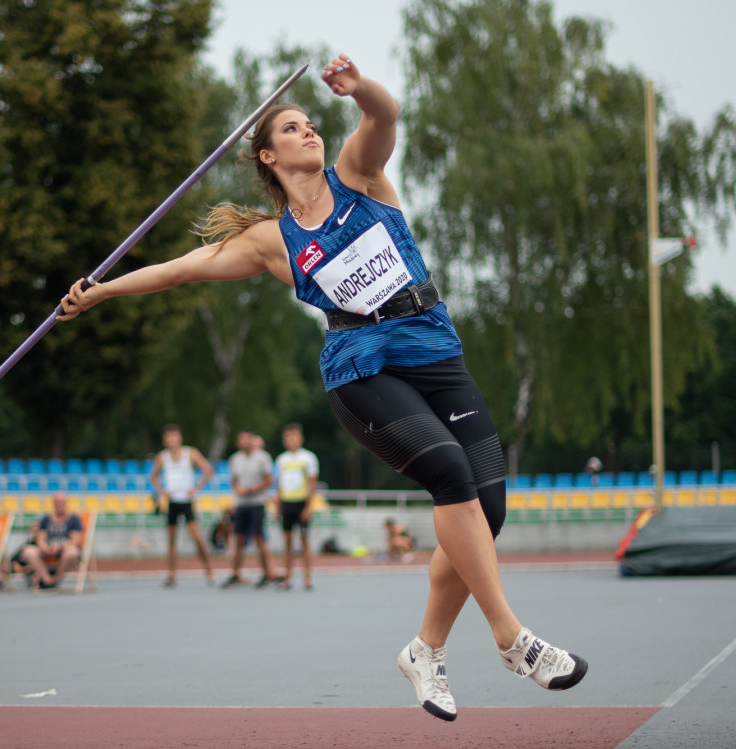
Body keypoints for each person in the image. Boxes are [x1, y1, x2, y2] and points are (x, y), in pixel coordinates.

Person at [57, 53, 587, 721]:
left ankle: (426, 648)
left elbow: (384, 114)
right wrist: (101, 290)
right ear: (267, 156)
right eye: (291, 128)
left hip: (433, 348)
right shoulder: (270, 241)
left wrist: (358, 86)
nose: (309, 130)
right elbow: (178, 271)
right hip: (361, 370)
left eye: (311, 122)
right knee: (451, 474)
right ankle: (512, 638)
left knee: (488, 508)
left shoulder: (359, 174)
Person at [149, 424, 217, 587]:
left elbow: (208, 470)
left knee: (197, 537)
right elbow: (154, 477)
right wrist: (162, 491)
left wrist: (196, 487)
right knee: (171, 540)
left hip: (187, 501)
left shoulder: (190, 453)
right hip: (172, 501)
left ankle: (209, 570)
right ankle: (171, 574)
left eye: (174, 436)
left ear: (179, 438)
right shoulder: (162, 457)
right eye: (168, 437)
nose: (171, 440)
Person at [220, 430, 277, 588]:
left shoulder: (262, 458)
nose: (244, 443)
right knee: (239, 539)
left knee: (259, 538)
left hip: (257, 503)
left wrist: (252, 490)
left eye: (247, 440)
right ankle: (235, 574)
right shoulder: (235, 460)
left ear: (252, 441)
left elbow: (268, 480)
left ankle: (266, 574)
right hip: (241, 504)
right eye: (241, 440)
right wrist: (238, 489)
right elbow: (234, 481)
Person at [273, 423, 319, 590]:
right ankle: (288, 576)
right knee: (287, 541)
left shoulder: (308, 458)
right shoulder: (281, 460)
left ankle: (307, 577)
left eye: (294, 437)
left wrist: (308, 507)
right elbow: (279, 485)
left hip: (301, 503)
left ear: (300, 438)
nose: (291, 440)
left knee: (304, 540)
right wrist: (277, 507)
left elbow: (312, 484)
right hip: (287, 503)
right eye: (288, 437)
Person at [19, 492, 83, 589]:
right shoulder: (46, 520)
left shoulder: (74, 520)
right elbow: (40, 538)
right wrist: (44, 547)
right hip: (47, 549)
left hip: (64, 549)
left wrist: (60, 547)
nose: (59, 505)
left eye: (62, 502)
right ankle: (46, 579)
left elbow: (75, 540)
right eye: (57, 502)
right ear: (53, 504)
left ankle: (56, 579)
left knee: (72, 552)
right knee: (28, 551)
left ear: (66, 503)